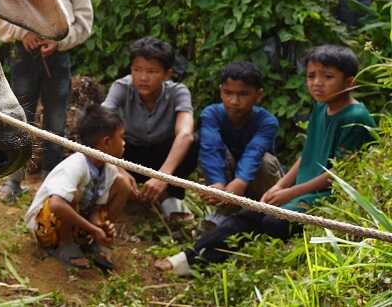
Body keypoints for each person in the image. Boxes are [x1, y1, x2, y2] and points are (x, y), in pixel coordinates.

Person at [159, 45, 375, 275]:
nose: (317, 83)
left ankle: (195, 262)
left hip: (324, 200)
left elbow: (337, 176)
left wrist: (290, 193)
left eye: (328, 77)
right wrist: (280, 186)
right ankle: (189, 259)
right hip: (302, 194)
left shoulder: (355, 117)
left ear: (350, 82)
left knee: (270, 221)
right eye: (311, 76)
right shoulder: (321, 107)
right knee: (248, 216)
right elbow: (307, 154)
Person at [0, 0, 94, 201]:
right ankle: (13, 180)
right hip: (23, 57)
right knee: (19, 116)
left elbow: (84, 22)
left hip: (57, 59)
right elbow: (2, 13)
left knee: (56, 120)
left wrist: (60, 41)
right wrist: (22, 34)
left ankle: (53, 181)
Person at [24, 105, 132, 270]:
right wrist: (93, 229)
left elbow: (96, 208)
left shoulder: (108, 169)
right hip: (45, 227)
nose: (124, 143)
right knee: (70, 195)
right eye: (121, 137)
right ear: (106, 142)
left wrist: (100, 225)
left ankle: (95, 242)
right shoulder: (76, 164)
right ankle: (66, 244)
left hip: (77, 223)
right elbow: (56, 204)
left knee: (123, 183)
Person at [102, 37, 197, 223]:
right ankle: (122, 190)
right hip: (129, 154)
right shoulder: (122, 87)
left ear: (167, 74)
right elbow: (100, 121)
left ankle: (171, 197)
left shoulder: (178, 92)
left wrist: (162, 177)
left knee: (192, 142)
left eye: (152, 71)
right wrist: (119, 168)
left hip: (163, 157)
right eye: (137, 70)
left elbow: (185, 134)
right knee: (104, 137)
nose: (143, 78)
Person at [198, 62, 281, 229]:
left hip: (259, 184)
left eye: (243, 94)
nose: (234, 101)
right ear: (221, 91)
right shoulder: (211, 114)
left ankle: (267, 213)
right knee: (208, 153)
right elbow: (211, 148)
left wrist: (240, 181)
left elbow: (254, 152)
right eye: (228, 93)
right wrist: (217, 183)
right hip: (227, 182)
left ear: (258, 95)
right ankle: (225, 211)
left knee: (265, 161)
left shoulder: (267, 121)